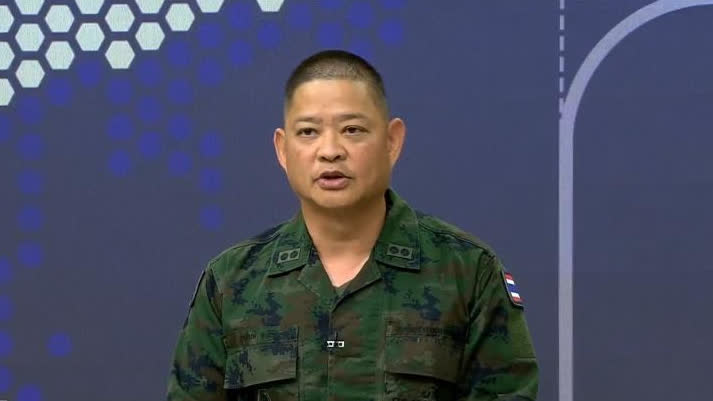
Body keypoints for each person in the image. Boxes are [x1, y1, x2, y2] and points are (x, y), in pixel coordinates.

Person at [166, 49, 538, 401]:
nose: (330, 151)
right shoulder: (231, 282)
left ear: (392, 141)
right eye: (308, 132)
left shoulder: (468, 273)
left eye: (352, 130)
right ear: (282, 149)